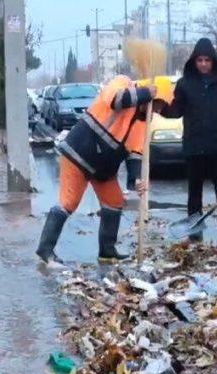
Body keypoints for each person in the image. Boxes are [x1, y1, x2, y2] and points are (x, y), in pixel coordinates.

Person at [36, 75, 174, 265]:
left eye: (160, 108)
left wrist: (136, 181)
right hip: (79, 154)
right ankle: (45, 250)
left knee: (114, 201)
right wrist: (143, 93)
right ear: (151, 97)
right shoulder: (122, 83)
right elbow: (116, 100)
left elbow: (135, 152)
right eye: (158, 105)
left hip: (104, 167)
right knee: (69, 202)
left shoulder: (143, 121)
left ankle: (107, 252)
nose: (157, 111)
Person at [163, 38, 217, 238]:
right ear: (194, 61)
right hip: (194, 143)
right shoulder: (185, 84)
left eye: (207, 60)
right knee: (194, 188)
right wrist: (161, 108)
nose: (204, 64)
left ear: (213, 61)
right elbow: (176, 110)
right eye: (200, 60)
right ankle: (195, 224)